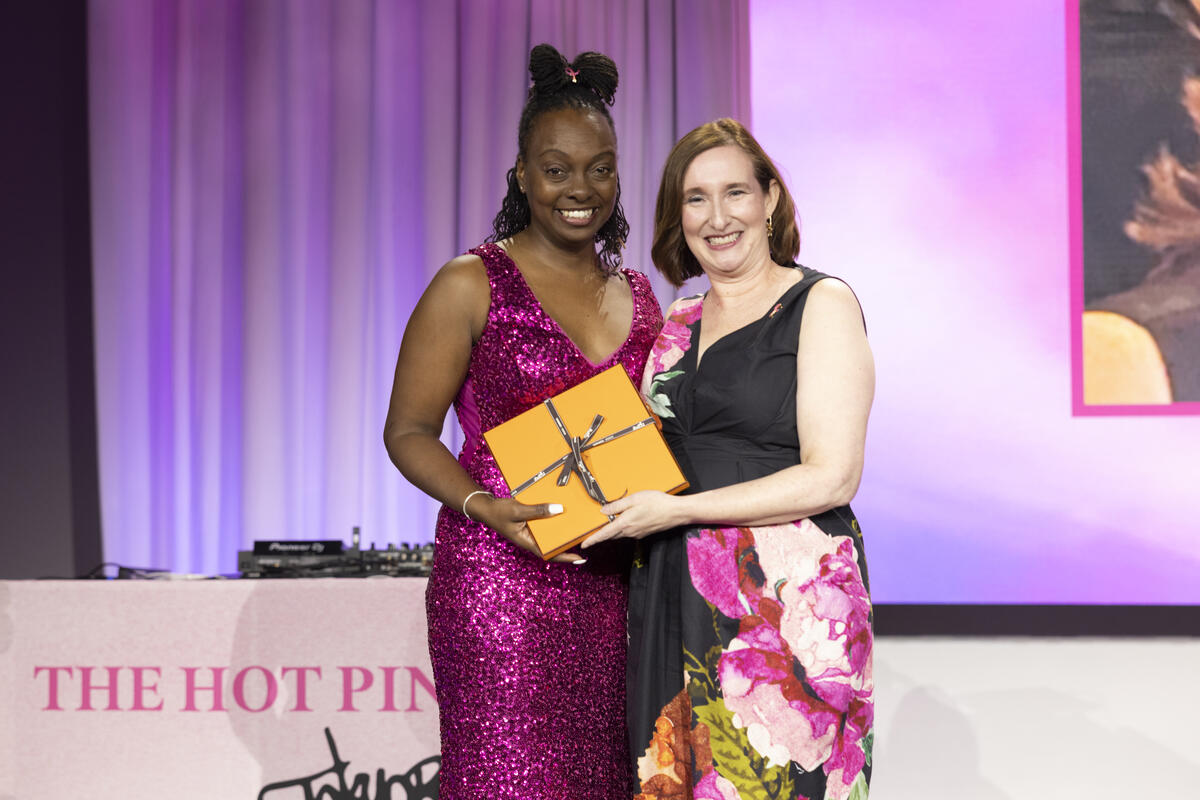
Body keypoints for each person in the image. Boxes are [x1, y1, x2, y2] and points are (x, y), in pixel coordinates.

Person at [383, 44, 662, 799]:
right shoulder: (471, 282)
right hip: (498, 581)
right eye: (556, 167)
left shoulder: (641, 294)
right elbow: (407, 430)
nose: (581, 188)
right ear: (521, 175)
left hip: (609, 590)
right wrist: (483, 506)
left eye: (599, 167)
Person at [583, 119, 875, 800]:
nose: (717, 218)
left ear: (771, 199)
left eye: (735, 192)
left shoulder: (820, 303)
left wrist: (678, 511)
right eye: (695, 199)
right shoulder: (677, 320)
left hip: (782, 612)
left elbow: (832, 475)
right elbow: (640, 455)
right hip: (669, 594)